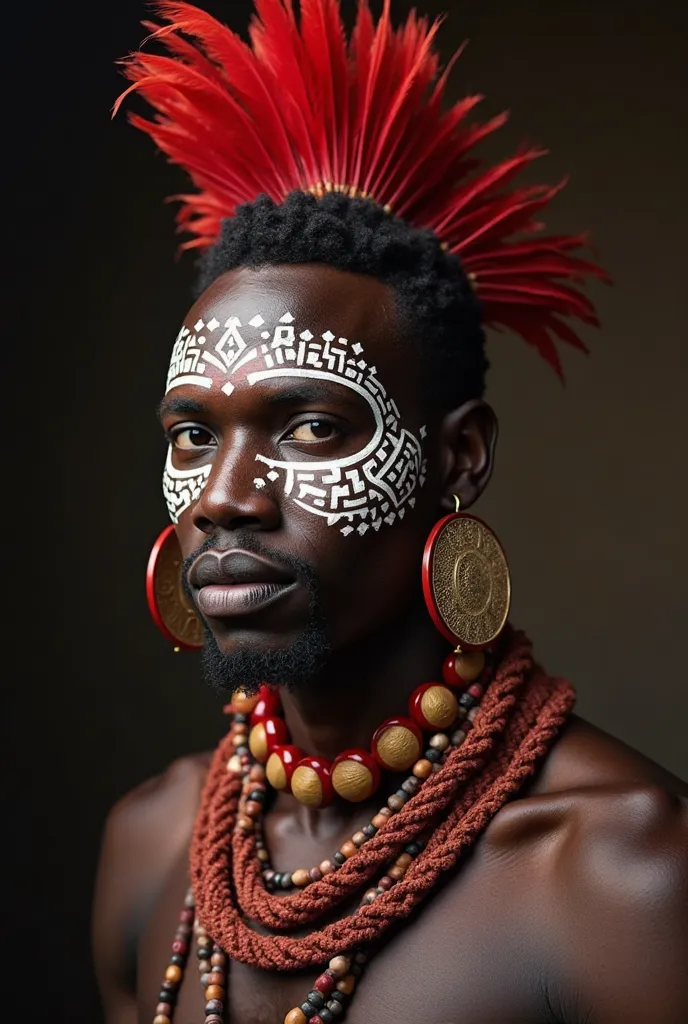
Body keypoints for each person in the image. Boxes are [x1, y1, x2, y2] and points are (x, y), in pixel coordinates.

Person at [93, 3, 688, 1023]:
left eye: (313, 427)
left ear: (456, 456)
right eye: (194, 434)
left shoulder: (618, 871)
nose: (227, 495)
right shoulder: (153, 838)